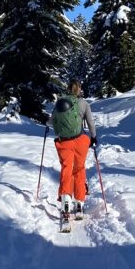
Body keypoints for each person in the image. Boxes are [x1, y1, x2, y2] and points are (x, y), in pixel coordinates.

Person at [46, 80, 97, 220]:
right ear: (79, 89)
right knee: (79, 169)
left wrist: (46, 123)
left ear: (68, 89)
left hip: (64, 143)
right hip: (80, 141)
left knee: (66, 169)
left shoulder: (60, 103)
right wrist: (93, 137)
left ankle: (66, 202)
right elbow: (91, 122)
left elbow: (51, 121)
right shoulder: (83, 103)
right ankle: (79, 204)